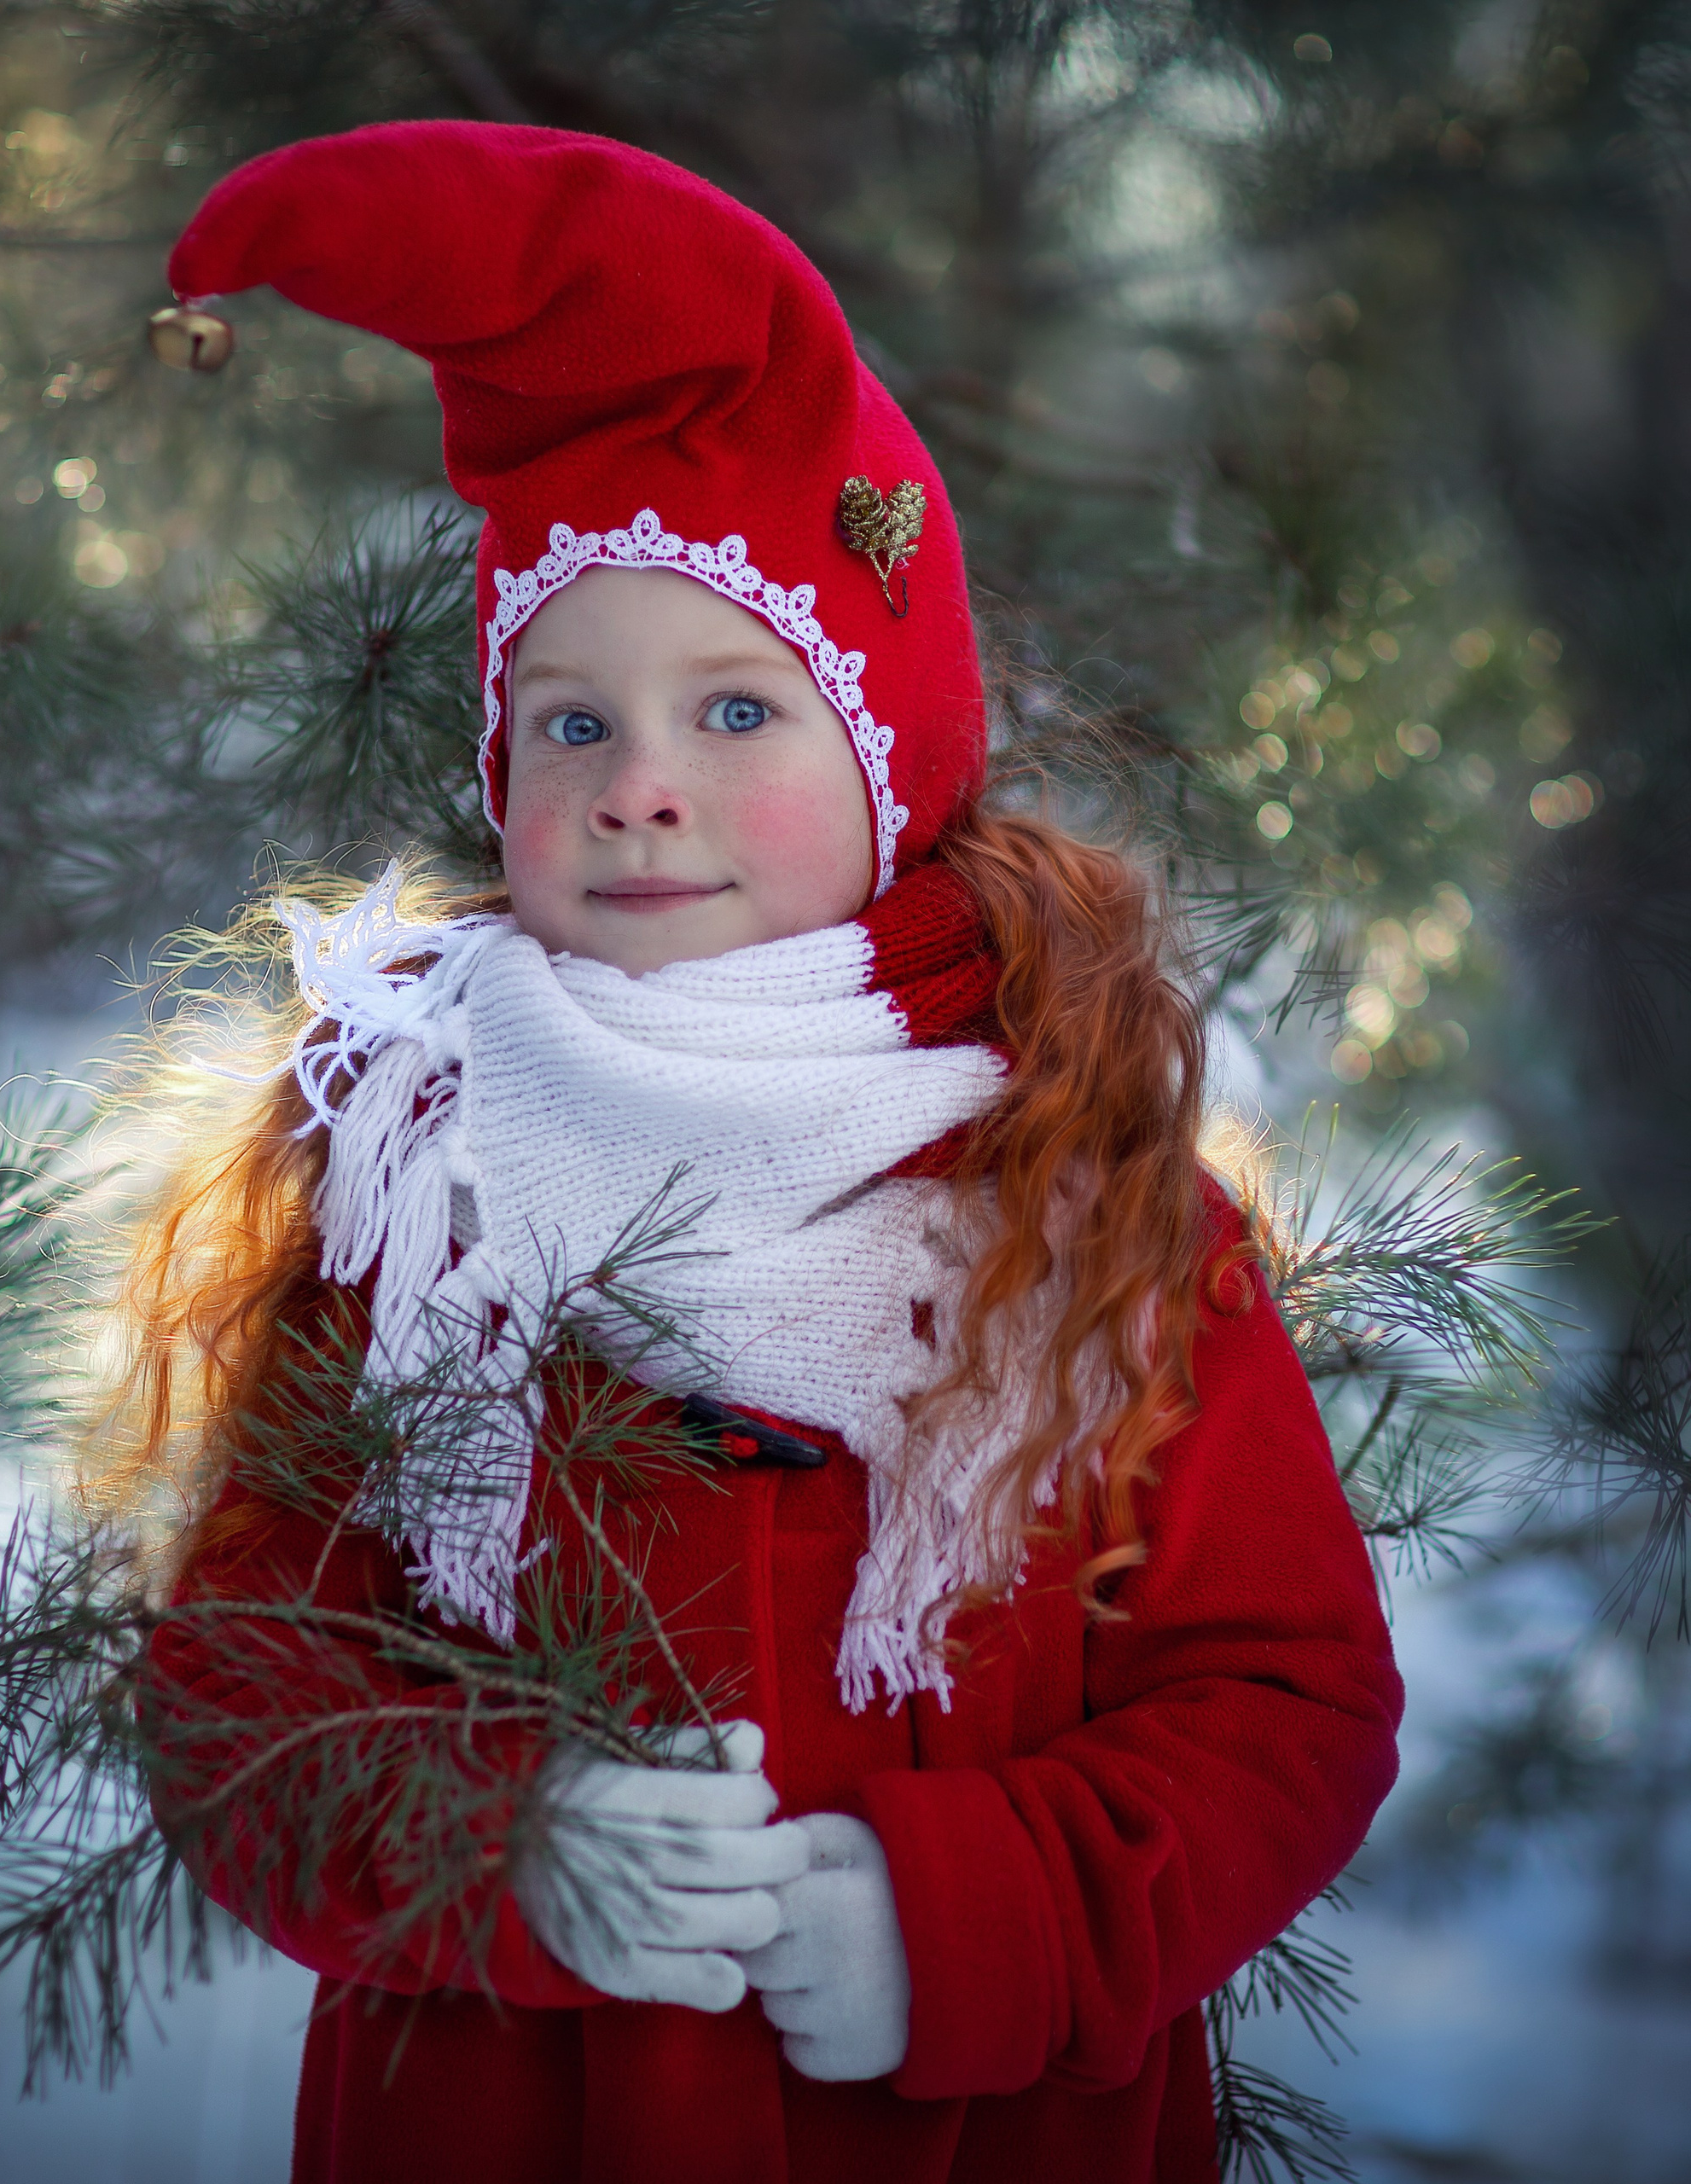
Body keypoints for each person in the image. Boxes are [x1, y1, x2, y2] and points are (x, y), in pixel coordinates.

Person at [110, 121, 1403, 2184]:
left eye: (733, 711)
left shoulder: (1088, 1206)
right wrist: (496, 1845)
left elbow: (1280, 1699)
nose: (638, 785)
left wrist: (972, 1911)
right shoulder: (417, 1193)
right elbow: (237, 1682)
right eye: (571, 720)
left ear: (889, 759)